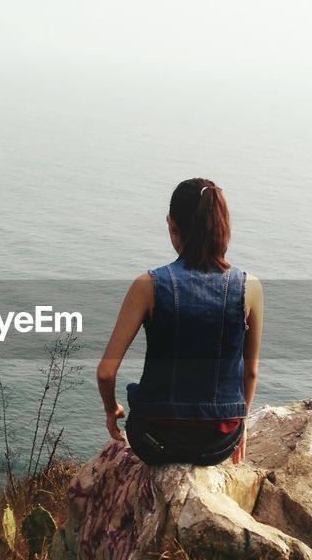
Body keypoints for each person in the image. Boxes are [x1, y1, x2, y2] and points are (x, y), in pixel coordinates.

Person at [95, 178, 263, 466]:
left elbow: (106, 372)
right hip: (218, 445)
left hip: (154, 440)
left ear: (172, 225)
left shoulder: (147, 286)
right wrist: (241, 424)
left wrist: (112, 410)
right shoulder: (250, 287)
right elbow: (250, 373)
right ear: (222, 225)